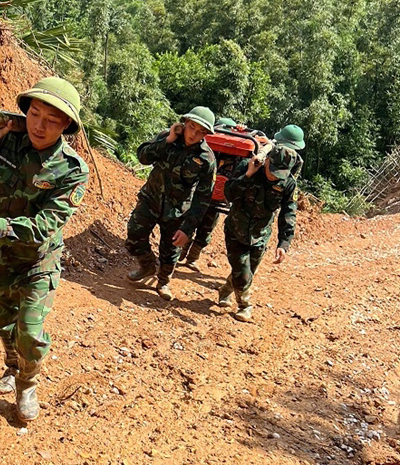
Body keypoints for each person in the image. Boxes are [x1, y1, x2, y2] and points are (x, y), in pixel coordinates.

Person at [0, 77, 88, 423]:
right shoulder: (9, 142)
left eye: (51, 119)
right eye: (34, 114)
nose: (39, 125)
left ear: (66, 125)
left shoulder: (72, 170)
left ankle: (27, 383)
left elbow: (47, 226)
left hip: (37, 261)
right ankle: (11, 367)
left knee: (30, 331)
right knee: (5, 324)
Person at [126, 106, 217, 299]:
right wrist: (167, 141)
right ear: (184, 123)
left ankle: (164, 280)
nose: (194, 134)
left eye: (201, 132)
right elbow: (142, 156)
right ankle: (148, 266)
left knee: (170, 250)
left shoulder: (206, 159)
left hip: (177, 211)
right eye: (192, 127)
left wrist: (188, 229)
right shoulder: (166, 137)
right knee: (134, 236)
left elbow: (203, 198)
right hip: (150, 200)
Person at [218, 144, 298, 322]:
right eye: (273, 169)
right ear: (267, 160)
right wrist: (248, 175)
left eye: (280, 172)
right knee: (243, 271)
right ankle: (244, 306)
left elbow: (288, 212)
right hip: (235, 230)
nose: (274, 176)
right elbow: (228, 194)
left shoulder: (288, 183)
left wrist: (284, 243)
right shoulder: (247, 166)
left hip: (260, 235)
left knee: (247, 271)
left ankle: (225, 290)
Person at [180, 115, 237, 267]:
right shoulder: (204, 150)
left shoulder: (235, 157)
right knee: (189, 223)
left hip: (216, 198)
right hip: (198, 195)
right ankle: (180, 253)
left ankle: (192, 258)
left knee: (206, 230)